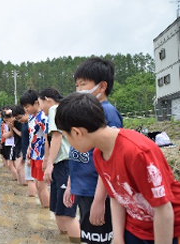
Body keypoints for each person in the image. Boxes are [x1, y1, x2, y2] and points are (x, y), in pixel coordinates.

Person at [56, 92, 180, 244]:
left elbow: (163, 210)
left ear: (76, 132)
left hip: (167, 230)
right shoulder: (98, 154)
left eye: (66, 136)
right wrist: (118, 237)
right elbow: (117, 195)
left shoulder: (137, 152)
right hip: (134, 227)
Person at [63, 57, 122, 244]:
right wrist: (71, 184)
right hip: (83, 189)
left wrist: (99, 200)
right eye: (77, 85)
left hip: (97, 193)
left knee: (97, 239)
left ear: (102, 86)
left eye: (83, 84)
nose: (79, 89)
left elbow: (109, 160)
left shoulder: (107, 113)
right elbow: (77, 154)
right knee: (87, 237)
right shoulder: (84, 111)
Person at [39, 88, 81, 243]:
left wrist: (49, 164)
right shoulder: (62, 110)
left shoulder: (55, 110)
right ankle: (64, 237)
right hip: (62, 163)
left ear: (48, 99)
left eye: (40, 102)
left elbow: (56, 137)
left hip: (64, 162)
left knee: (66, 213)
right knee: (58, 210)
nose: (40, 106)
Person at [20, 89, 50, 208]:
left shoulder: (43, 117)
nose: (25, 110)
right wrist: (29, 150)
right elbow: (32, 136)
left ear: (36, 103)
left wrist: (47, 158)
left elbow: (48, 138)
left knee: (42, 186)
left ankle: (47, 209)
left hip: (42, 156)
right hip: (34, 155)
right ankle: (43, 207)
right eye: (24, 107)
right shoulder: (32, 117)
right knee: (37, 184)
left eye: (27, 106)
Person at [12, 105, 36, 196]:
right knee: (29, 177)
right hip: (26, 152)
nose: (19, 120)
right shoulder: (25, 124)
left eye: (19, 118)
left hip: (31, 153)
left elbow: (33, 140)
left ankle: (32, 198)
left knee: (31, 179)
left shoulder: (31, 123)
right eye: (17, 119)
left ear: (25, 113)